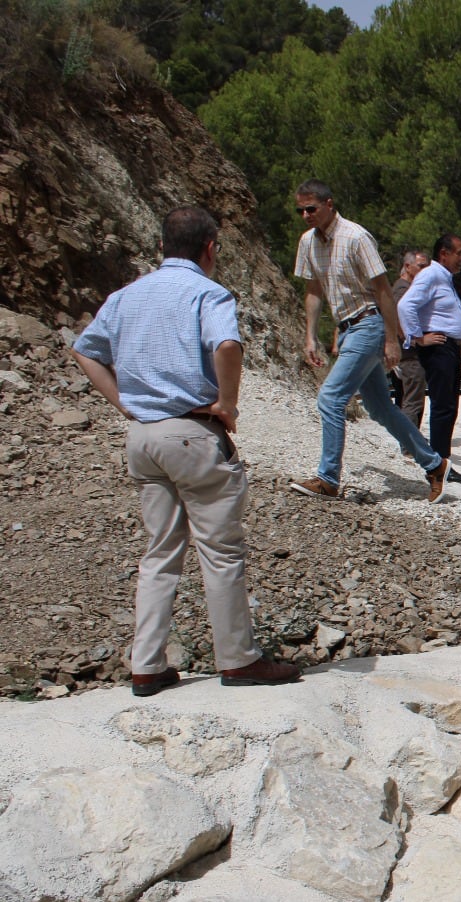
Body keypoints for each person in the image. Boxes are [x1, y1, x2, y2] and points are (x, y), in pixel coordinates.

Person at [70, 207, 302, 694]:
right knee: (220, 551)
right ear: (210, 247)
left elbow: (86, 350)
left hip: (143, 437)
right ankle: (238, 659)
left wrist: (125, 405)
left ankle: (147, 664)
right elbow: (227, 345)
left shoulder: (125, 296)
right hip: (193, 433)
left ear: (161, 247)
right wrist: (229, 404)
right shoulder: (207, 292)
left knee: (160, 551)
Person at [288, 180, 450, 502]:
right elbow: (314, 291)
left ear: (329, 204)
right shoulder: (308, 242)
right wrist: (309, 336)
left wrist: (392, 340)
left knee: (330, 398)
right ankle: (433, 463)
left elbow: (383, 290)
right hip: (347, 327)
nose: (305, 215)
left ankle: (328, 479)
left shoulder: (356, 237)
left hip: (369, 323)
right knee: (378, 408)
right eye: (300, 210)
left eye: (311, 209)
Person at [397, 234, 461, 481]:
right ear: (444, 254)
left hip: (448, 347)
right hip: (438, 347)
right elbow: (405, 306)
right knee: (443, 406)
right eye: (459, 253)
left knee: (448, 406)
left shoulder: (444, 278)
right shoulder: (431, 274)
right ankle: (438, 467)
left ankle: (443, 463)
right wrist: (417, 337)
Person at [390, 248, 430, 428]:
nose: (425, 270)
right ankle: (410, 443)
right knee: (413, 399)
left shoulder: (405, 288)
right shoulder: (403, 289)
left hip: (406, 352)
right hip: (409, 353)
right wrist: (414, 340)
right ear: (407, 266)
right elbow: (398, 316)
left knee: (406, 396)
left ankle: (408, 440)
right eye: (421, 266)